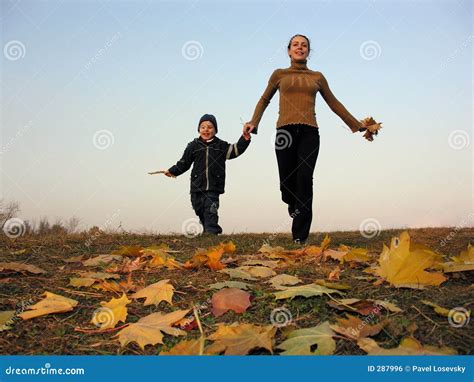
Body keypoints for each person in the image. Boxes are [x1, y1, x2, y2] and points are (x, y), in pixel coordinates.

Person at [244, 34, 373, 244]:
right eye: (295, 44)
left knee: (304, 179)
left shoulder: (317, 77)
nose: (300, 47)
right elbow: (264, 99)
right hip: (284, 132)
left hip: (309, 133)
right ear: (288, 50)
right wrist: (254, 122)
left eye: (304, 45)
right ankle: (292, 203)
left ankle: (300, 236)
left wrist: (356, 124)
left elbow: (334, 103)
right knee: (287, 182)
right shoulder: (279, 74)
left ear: (308, 51)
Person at [158, 114, 250, 235]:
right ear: (199, 129)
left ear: (215, 130)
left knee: (210, 209)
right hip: (197, 185)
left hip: (214, 185)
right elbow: (184, 162)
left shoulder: (221, 146)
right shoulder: (193, 146)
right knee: (199, 207)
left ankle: (211, 231)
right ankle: (207, 226)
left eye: (210, 127)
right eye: (203, 127)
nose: (206, 129)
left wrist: (245, 139)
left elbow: (235, 150)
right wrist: (172, 171)